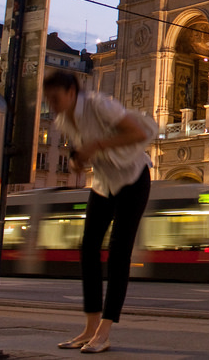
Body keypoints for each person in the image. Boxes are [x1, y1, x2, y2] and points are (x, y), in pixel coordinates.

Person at [43, 71, 154, 354]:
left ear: (71, 92)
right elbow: (86, 151)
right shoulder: (64, 119)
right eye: (48, 100)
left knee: (119, 254)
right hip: (104, 184)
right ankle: (89, 327)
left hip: (133, 178)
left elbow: (139, 133)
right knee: (88, 248)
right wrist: (78, 161)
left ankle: (104, 331)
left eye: (55, 99)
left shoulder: (99, 105)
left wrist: (96, 145)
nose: (52, 105)